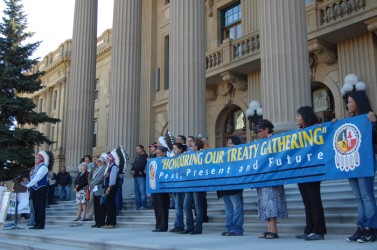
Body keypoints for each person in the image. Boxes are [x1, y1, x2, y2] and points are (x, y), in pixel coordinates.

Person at [342, 91, 377, 243]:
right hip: (352, 163)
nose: (347, 105)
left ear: (358, 101)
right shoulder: (351, 121)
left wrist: (374, 123)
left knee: (367, 196)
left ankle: (372, 229)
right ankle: (361, 227)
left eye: (350, 101)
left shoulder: (369, 117)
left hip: (366, 162)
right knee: (358, 198)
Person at [295, 106, 327, 240]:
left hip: (312, 170)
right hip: (301, 170)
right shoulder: (299, 131)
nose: (296, 118)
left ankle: (318, 230)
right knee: (306, 201)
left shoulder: (316, 128)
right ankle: (309, 228)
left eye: (298, 115)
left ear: (304, 116)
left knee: (314, 200)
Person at [255, 120, 288, 239]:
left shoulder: (275, 139)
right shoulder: (259, 143)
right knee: (264, 204)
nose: (258, 134)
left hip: (272, 177)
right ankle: (269, 229)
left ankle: (274, 230)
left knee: (271, 203)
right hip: (262, 178)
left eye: (259, 131)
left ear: (266, 130)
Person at [217, 135, 244, 236]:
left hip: (234, 185)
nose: (228, 145)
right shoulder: (223, 155)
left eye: (231, 143)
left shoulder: (240, 155)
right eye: (228, 143)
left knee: (237, 207)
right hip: (224, 185)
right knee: (228, 209)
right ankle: (229, 228)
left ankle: (237, 229)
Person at [181, 138, 206, 235]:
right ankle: (189, 226)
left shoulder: (202, 154)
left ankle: (198, 228)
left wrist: (203, 153)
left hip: (198, 184)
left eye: (192, 146)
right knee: (186, 206)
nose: (190, 147)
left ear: (196, 147)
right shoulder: (188, 155)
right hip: (189, 183)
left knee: (198, 207)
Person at [26, 151, 51, 229]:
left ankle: (41, 224)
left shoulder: (43, 167)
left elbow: (38, 178)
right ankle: (36, 223)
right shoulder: (35, 168)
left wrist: (27, 185)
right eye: (35, 158)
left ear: (41, 159)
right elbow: (33, 178)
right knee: (35, 207)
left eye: (37, 158)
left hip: (40, 189)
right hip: (35, 189)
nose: (35, 159)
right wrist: (31, 175)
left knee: (40, 207)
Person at [151, 146, 170, 232]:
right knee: (157, 207)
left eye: (159, 153)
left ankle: (163, 226)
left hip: (163, 187)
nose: (157, 155)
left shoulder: (167, 161)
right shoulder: (154, 161)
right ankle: (158, 225)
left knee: (163, 206)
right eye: (157, 153)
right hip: (155, 186)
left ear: (164, 153)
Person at [169, 143, 186, 233]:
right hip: (174, 184)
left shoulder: (183, 158)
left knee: (179, 206)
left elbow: (181, 170)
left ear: (180, 149)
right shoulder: (173, 158)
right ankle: (177, 224)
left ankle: (180, 225)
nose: (174, 151)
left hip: (180, 185)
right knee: (177, 206)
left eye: (176, 149)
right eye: (173, 149)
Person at [102, 152, 120, 229]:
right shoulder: (109, 167)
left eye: (107, 159)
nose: (106, 160)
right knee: (108, 205)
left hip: (111, 188)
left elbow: (112, 179)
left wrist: (109, 188)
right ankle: (108, 222)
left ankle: (112, 223)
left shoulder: (114, 167)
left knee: (111, 205)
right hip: (107, 187)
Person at [89, 154, 107, 228]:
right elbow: (92, 177)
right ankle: (97, 222)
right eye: (97, 161)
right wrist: (91, 183)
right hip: (95, 189)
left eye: (99, 161)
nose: (98, 162)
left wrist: (93, 183)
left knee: (100, 207)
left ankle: (101, 222)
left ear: (103, 161)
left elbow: (101, 177)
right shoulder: (97, 168)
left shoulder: (104, 168)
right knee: (96, 207)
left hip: (100, 189)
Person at [131, 145, 148, 210]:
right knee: (137, 192)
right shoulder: (137, 157)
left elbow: (141, 164)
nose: (137, 150)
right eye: (136, 149)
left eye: (138, 149)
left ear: (142, 149)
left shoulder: (145, 156)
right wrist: (132, 171)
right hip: (136, 176)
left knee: (142, 192)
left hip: (141, 176)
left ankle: (144, 205)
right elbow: (134, 164)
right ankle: (137, 206)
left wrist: (134, 170)